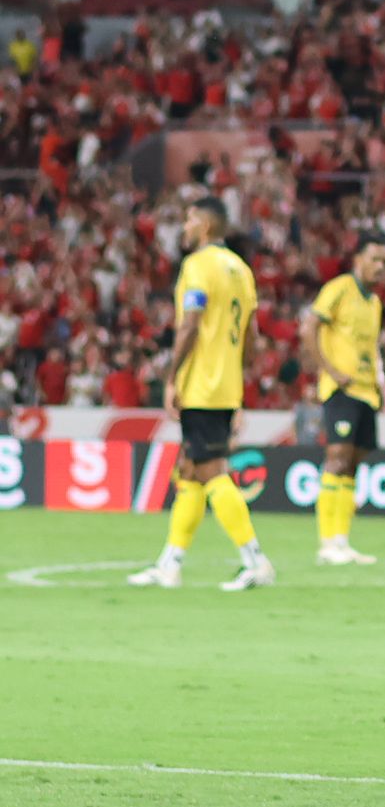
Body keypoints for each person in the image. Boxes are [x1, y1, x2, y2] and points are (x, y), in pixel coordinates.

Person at [128, 197, 275, 591]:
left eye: (190, 219)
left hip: (201, 385)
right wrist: (236, 380)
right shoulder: (241, 270)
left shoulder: (198, 266)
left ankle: (255, 560)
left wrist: (172, 377)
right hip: (225, 385)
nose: (184, 226)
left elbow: (190, 325)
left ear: (206, 226)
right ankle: (170, 565)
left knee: (211, 471)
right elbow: (251, 335)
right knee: (190, 473)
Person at [304, 230, 385, 566]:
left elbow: (372, 348)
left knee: (353, 465)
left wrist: (379, 382)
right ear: (358, 260)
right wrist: (329, 370)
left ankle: (341, 541)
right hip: (341, 389)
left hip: (366, 391)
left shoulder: (374, 302)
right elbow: (309, 328)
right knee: (337, 458)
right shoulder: (339, 288)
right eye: (374, 259)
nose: (380, 267)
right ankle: (326, 543)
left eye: (384, 261)